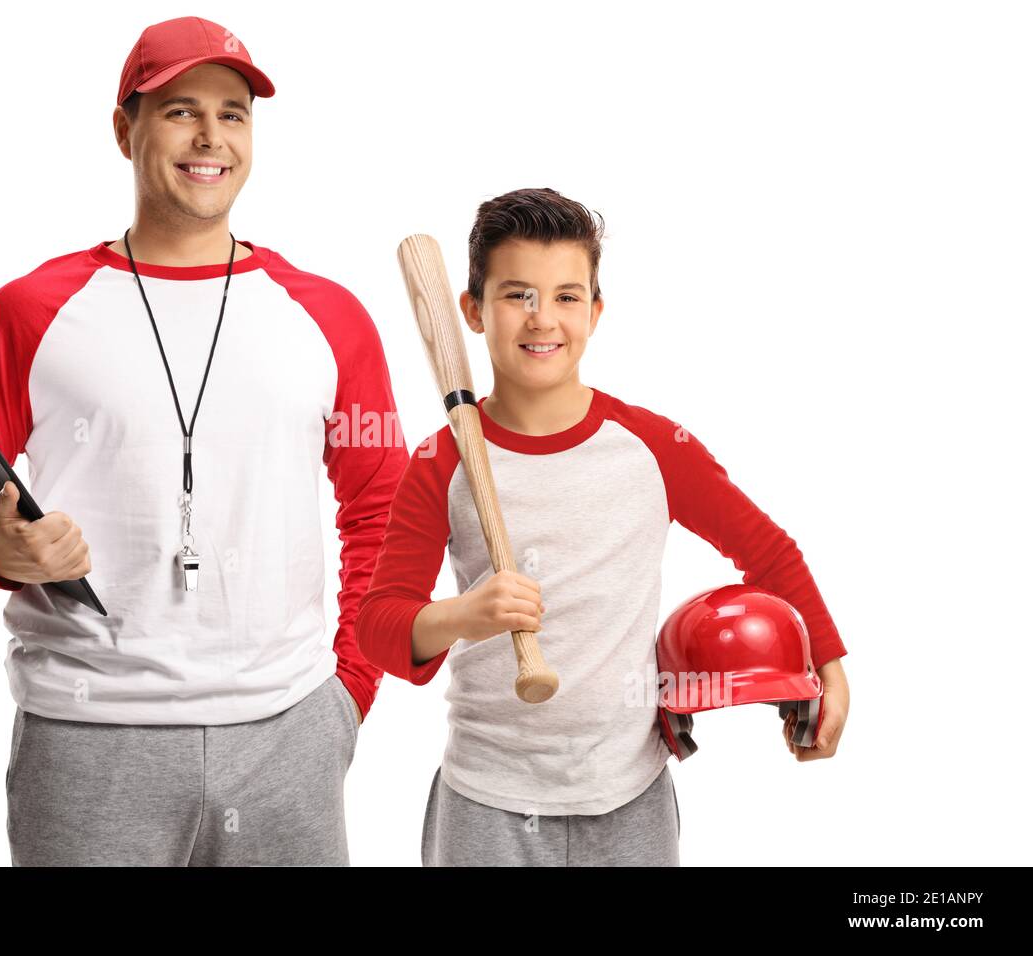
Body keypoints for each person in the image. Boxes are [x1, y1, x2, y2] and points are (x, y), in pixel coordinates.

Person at [0, 16, 409, 866]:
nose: (211, 136)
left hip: (286, 734)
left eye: (234, 113)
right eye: (179, 110)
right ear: (123, 128)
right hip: (87, 738)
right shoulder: (29, 310)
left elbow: (385, 508)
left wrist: (349, 692)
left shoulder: (328, 315)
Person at [356, 187, 850, 867]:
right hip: (487, 800)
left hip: (628, 797)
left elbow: (767, 551)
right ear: (471, 310)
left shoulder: (650, 446)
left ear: (595, 310)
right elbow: (379, 629)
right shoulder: (441, 462)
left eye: (565, 296)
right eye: (516, 295)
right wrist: (463, 615)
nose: (542, 319)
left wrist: (828, 664)